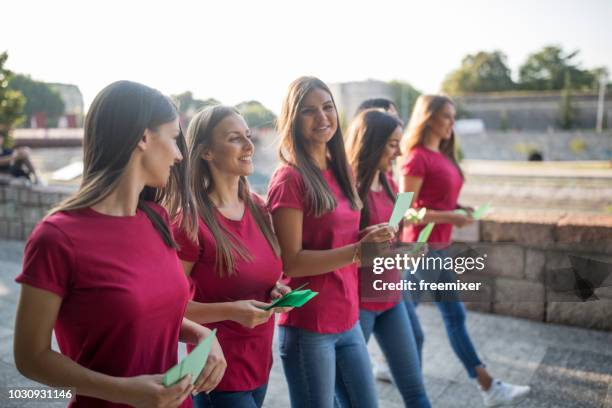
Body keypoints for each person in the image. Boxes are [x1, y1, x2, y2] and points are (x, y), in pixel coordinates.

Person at [13, 80, 226, 408]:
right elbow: (30, 356)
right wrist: (122, 390)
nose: (180, 154)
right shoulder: (57, 238)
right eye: (173, 138)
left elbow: (151, 313)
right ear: (143, 137)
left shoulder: (157, 219)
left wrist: (201, 336)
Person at [267, 76, 394, 408]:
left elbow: (336, 237)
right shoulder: (289, 179)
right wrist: (356, 252)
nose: (322, 118)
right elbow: (290, 262)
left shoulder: (343, 171)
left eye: (327, 107)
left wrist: (367, 238)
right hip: (310, 324)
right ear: (293, 120)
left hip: (348, 317)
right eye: (309, 111)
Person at [400, 94, 531, 407]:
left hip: (440, 248)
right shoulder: (417, 157)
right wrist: (450, 217)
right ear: (428, 118)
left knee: (422, 319)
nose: (451, 123)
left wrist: (459, 209)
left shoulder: (443, 154)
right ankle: (484, 387)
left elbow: (437, 200)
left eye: (453, 116)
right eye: (446, 116)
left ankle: (487, 387)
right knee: (406, 321)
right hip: (421, 248)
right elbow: (405, 211)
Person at [171, 105, 291, 408]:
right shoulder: (189, 221)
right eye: (235, 138)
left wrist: (274, 290)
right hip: (216, 373)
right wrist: (233, 310)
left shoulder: (258, 207)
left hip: (259, 365)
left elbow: (259, 274)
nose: (249, 146)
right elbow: (168, 310)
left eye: (248, 136)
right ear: (207, 152)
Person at [345, 108, 431, 407]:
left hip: (391, 299)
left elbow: (390, 242)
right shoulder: (348, 190)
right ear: (372, 142)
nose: (398, 153)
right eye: (393, 144)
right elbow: (348, 253)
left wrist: (407, 252)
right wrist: (399, 254)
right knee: (349, 398)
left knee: (416, 390)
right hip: (358, 305)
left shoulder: (392, 186)